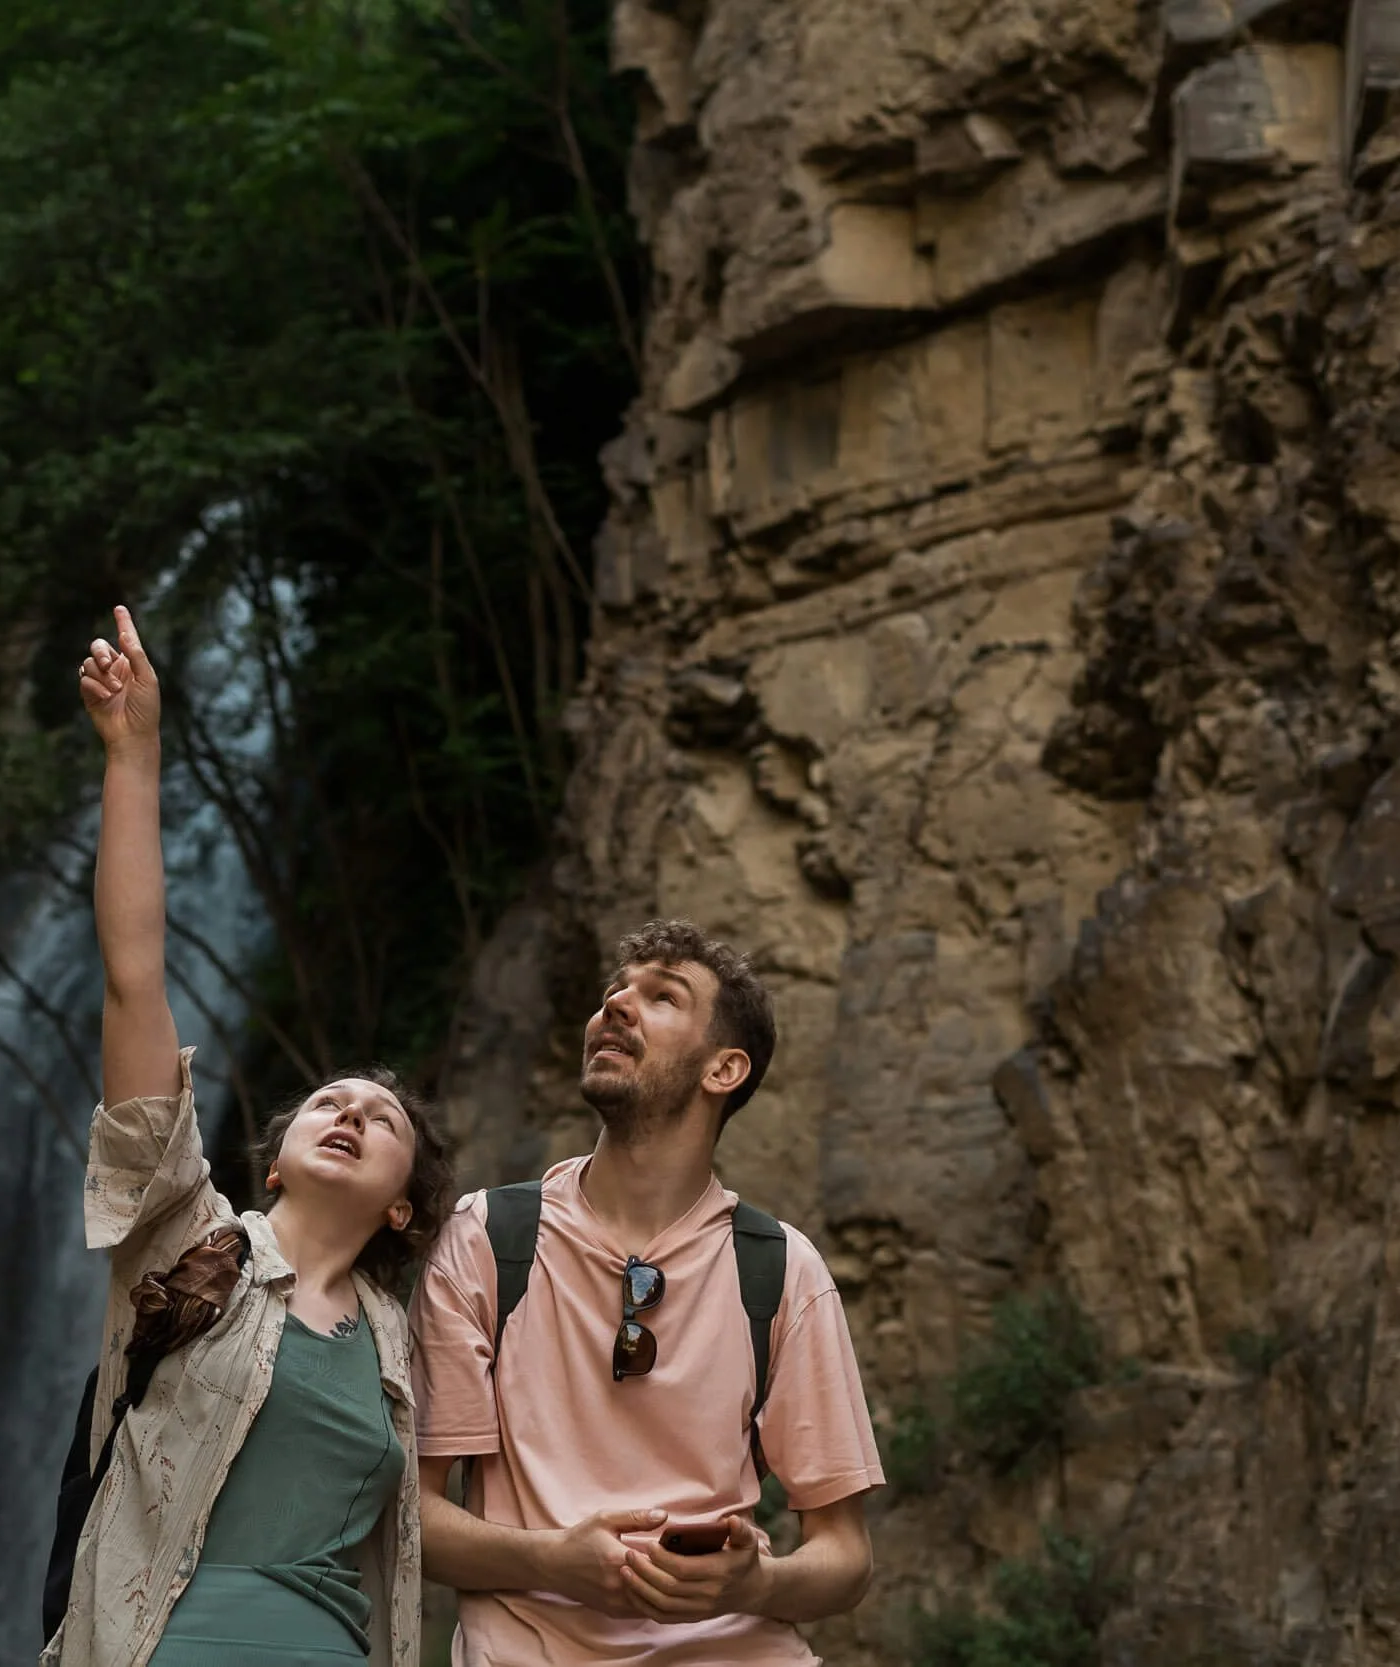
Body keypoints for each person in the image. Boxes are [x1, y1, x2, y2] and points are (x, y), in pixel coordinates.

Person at [44, 605, 455, 1667]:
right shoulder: (185, 1236)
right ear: (272, 1161)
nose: (353, 1111)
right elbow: (135, 977)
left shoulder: (405, 1347)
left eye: (384, 1117)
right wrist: (135, 758)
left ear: (404, 1201)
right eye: (330, 1101)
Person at [410, 921, 886, 1665]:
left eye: (661, 997)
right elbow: (413, 1516)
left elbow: (847, 1555)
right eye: (614, 993)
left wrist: (750, 1584)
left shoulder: (782, 1270)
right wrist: (550, 1561)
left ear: (724, 1068)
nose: (616, 1007)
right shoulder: (489, 1238)